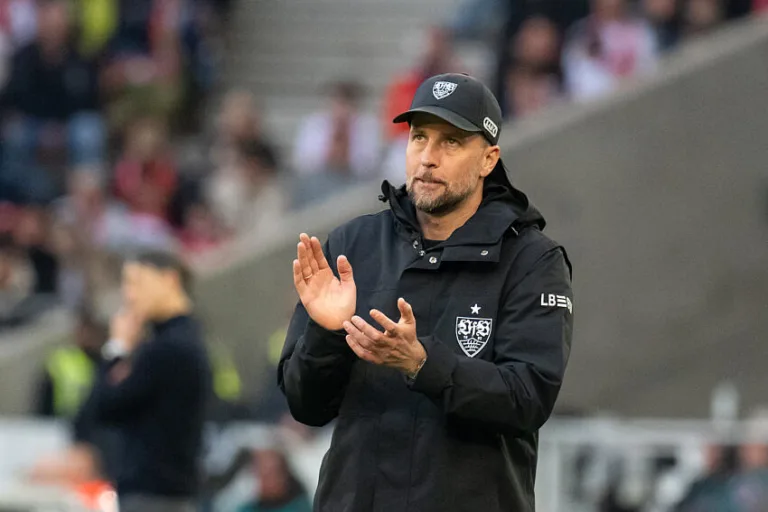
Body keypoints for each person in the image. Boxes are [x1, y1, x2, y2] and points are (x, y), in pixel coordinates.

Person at [279, 73, 573, 511]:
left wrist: (422, 364)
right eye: (419, 137)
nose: (428, 158)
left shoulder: (532, 260)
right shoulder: (352, 245)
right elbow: (306, 406)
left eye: (451, 142)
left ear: (488, 159)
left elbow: (528, 398)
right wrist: (326, 334)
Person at [76, 250, 212, 512]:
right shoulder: (184, 340)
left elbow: (104, 407)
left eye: (137, 282)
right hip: (170, 494)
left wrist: (116, 347)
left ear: (170, 279)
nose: (129, 295)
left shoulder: (169, 348)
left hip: (153, 498)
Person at [35, 308, 107, 418]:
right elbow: (44, 398)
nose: (89, 337)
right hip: (61, 420)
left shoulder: (106, 362)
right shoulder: (61, 360)